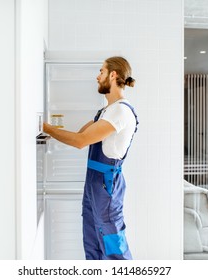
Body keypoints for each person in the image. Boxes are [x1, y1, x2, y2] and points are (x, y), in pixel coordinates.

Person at [43, 56, 138, 260]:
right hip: (95, 184)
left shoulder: (120, 111)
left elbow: (80, 141)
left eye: (101, 72)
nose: (97, 77)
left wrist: (45, 127)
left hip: (106, 187)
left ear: (113, 75)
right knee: (93, 242)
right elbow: (79, 134)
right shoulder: (106, 111)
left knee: (113, 247)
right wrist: (49, 130)